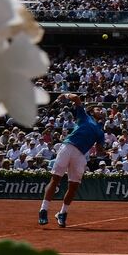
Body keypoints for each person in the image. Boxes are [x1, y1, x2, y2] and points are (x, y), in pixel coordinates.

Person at [40, 93, 105, 227]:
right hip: (67, 147)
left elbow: (99, 151)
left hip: (81, 155)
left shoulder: (100, 131)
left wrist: (106, 152)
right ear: (92, 111)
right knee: (55, 179)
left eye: (102, 109)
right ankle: (43, 210)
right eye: (98, 109)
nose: (101, 110)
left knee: (74, 186)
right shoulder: (84, 116)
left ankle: (62, 213)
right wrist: (65, 95)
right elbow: (76, 98)